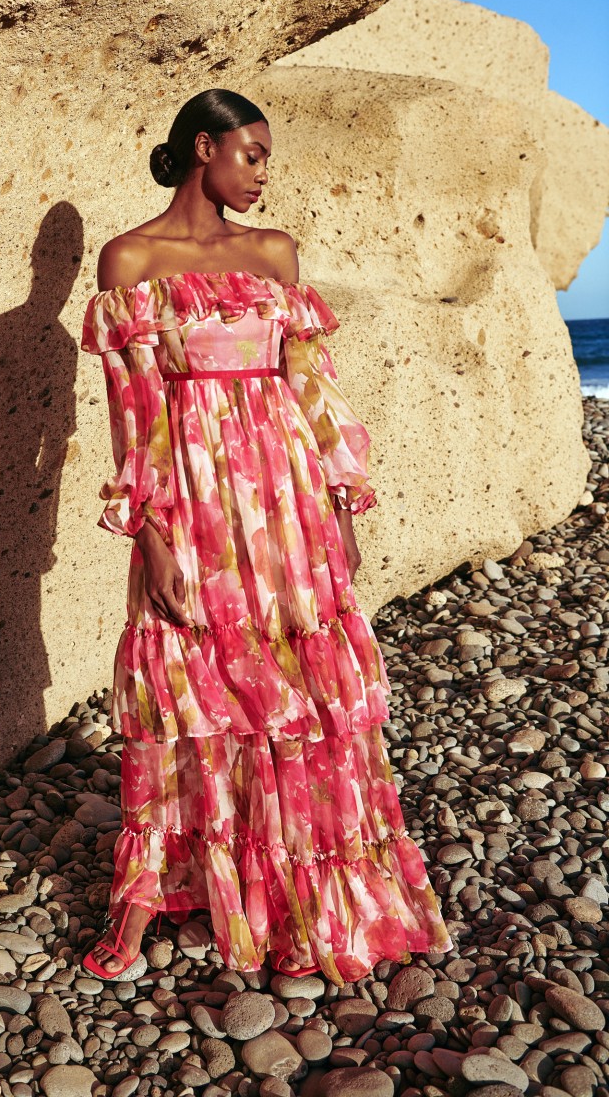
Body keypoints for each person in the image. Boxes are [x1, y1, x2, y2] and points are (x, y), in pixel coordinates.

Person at [78, 88, 452, 981]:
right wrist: (152, 535)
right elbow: (136, 416)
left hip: (286, 503)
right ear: (203, 149)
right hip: (197, 505)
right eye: (251, 154)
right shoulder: (130, 260)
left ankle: (310, 900)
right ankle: (144, 902)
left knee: (302, 687)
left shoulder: (275, 253)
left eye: (265, 157)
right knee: (191, 688)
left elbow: (308, 386)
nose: (261, 173)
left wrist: (341, 494)